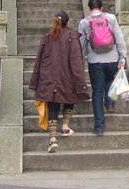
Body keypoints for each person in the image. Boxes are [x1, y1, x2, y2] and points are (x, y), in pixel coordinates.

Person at [29, 10, 89, 153]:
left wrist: (35, 79)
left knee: (53, 106)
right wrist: (80, 80)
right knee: (70, 99)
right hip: (67, 77)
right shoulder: (72, 37)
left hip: (49, 77)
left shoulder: (48, 37)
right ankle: (65, 126)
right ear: (68, 22)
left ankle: (53, 139)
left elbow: (39, 59)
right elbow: (76, 61)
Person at [78, 0, 127, 136]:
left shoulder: (84, 22)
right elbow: (119, 38)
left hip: (95, 61)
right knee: (110, 81)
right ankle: (110, 103)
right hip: (112, 59)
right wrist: (122, 56)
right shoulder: (111, 18)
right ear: (102, 7)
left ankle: (99, 127)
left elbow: (81, 44)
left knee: (97, 92)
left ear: (89, 9)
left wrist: (81, 61)